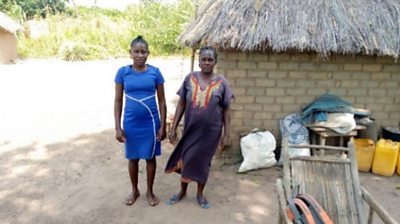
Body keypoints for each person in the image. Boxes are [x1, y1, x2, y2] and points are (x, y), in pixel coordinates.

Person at [165, 46, 233, 209]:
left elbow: (227, 109)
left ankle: (200, 194)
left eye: (210, 59)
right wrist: (173, 127)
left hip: (211, 133)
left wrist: (227, 134)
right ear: (199, 60)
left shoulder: (222, 83)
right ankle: (182, 191)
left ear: (215, 61)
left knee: (204, 163)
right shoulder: (190, 79)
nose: (207, 62)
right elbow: (181, 103)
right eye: (204, 59)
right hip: (190, 130)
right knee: (185, 159)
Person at [114, 35, 166, 206]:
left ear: (148, 53)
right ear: (130, 53)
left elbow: (162, 101)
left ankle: (150, 192)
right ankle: (135, 190)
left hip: (151, 123)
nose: (140, 55)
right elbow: (118, 101)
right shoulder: (123, 73)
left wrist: (163, 126)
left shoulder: (155, 73)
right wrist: (118, 127)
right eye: (136, 51)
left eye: (143, 52)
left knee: (150, 158)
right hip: (131, 123)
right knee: (133, 158)